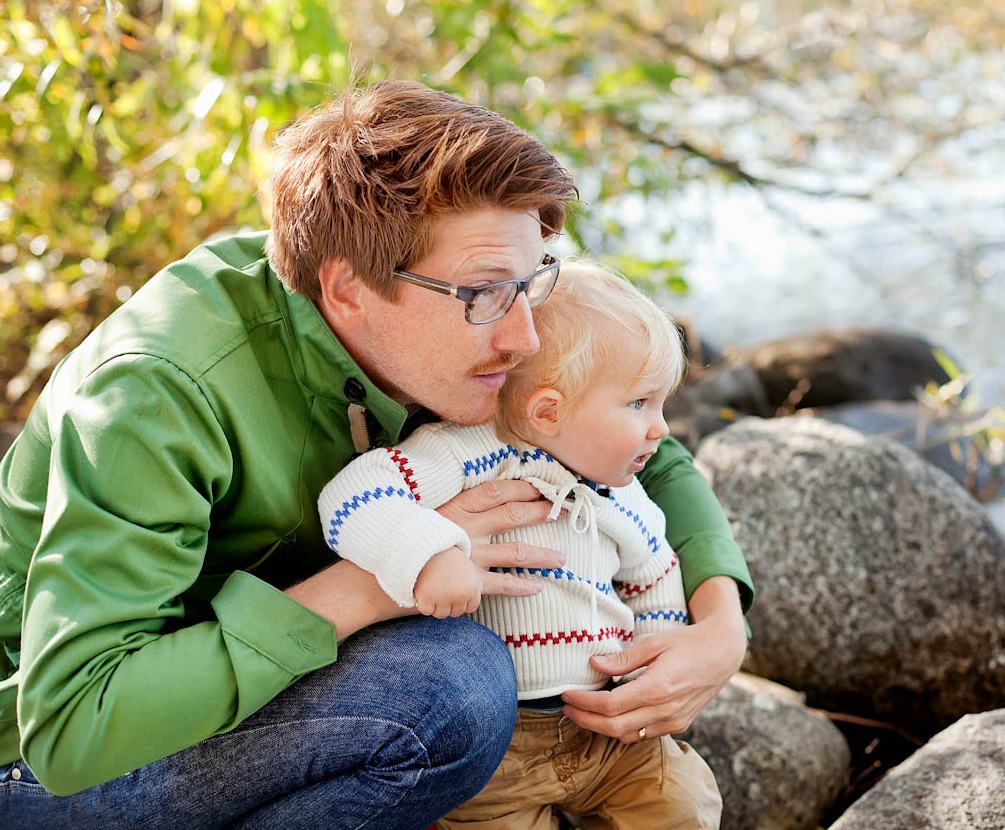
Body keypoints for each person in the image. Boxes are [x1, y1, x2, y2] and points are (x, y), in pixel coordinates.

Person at [0, 80, 753, 829]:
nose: (523, 334)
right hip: (45, 766)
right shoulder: (155, 393)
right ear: (347, 290)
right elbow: (74, 729)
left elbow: (616, 437)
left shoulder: (455, 320)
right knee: (447, 687)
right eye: (488, 293)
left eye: (531, 283)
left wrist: (718, 628)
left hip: (261, 692)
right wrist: (385, 578)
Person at [318, 260, 722, 828]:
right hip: (496, 748)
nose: (662, 429)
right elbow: (353, 497)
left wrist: (650, 666)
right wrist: (429, 553)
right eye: (639, 405)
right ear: (549, 411)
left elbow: (654, 578)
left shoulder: (623, 493)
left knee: (681, 803)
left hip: (607, 734)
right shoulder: (468, 454)